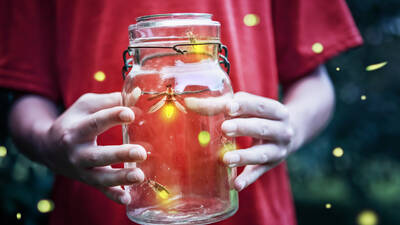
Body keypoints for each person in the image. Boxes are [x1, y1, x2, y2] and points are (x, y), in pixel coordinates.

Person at [0, 0, 362, 224]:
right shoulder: (139, 75)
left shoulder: (212, 73)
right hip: (90, 213)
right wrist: (48, 141)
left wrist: (293, 125)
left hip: (258, 213)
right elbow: (26, 95)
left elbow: (314, 82)